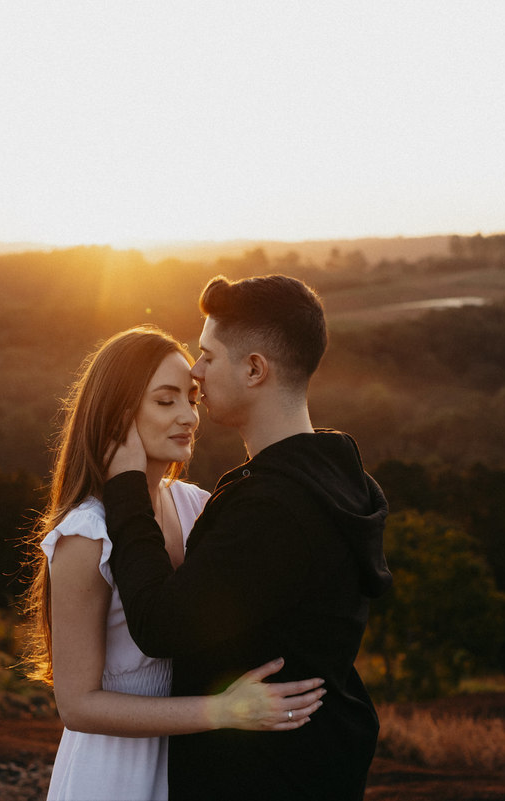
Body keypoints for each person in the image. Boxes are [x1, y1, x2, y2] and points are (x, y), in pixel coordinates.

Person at [104, 275, 392, 801]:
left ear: (255, 369)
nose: (196, 370)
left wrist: (124, 490)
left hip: (262, 776)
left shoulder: (272, 508)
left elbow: (158, 624)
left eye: (209, 356)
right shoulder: (341, 479)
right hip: (315, 761)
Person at [20, 325, 327, 801]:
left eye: (191, 398)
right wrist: (220, 712)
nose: (188, 416)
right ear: (118, 418)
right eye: (165, 401)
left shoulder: (196, 505)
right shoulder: (87, 534)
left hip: (192, 765)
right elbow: (77, 706)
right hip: (114, 772)